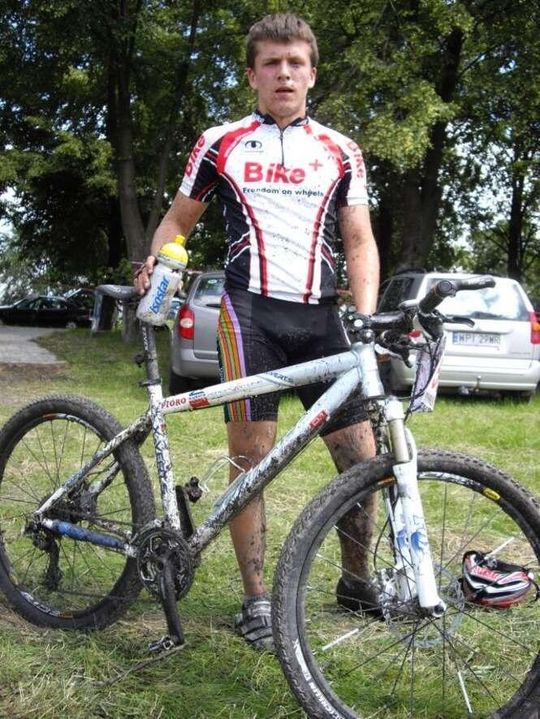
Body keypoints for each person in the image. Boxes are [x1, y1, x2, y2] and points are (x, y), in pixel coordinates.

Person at [135, 13, 380, 651]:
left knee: (363, 460)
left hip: (322, 318)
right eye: (272, 63)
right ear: (252, 75)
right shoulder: (221, 142)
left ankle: (357, 580)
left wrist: (367, 317)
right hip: (249, 317)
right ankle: (256, 598)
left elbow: (359, 240)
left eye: (296, 63)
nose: (284, 74)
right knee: (253, 463)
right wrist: (159, 261)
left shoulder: (341, 150)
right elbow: (176, 222)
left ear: (312, 74)